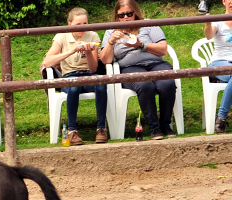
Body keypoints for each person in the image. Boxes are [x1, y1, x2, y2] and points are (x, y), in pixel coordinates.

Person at [100, 0, 176, 140]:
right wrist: (110, 42)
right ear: (116, 16)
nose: (125, 18)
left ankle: (165, 125)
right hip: (130, 67)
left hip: (155, 62)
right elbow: (105, 60)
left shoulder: (147, 24)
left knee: (167, 83)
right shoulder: (111, 31)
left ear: (136, 13)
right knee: (145, 85)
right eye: (121, 15)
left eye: (129, 13)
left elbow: (163, 49)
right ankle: (154, 128)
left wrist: (141, 44)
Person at [42, 8, 108, 145]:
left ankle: (101, 128)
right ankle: (72, 130)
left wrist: (88, 51)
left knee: (101, 85)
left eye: (85, 23)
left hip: (89, 74)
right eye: (78, 24)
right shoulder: (62, 36)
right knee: (73, 87)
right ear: (70, 24)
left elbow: (93, 68)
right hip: (70, 75)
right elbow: (47, 61)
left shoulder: (92, 36)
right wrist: (72, 51)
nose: (82, 27)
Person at [204, 1, 232, 133]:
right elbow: (209, 35)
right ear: (224, 1)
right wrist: (208, 23)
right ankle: (221, 118)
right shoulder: (218, 21)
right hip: (219, 62)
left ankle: (220, 119)